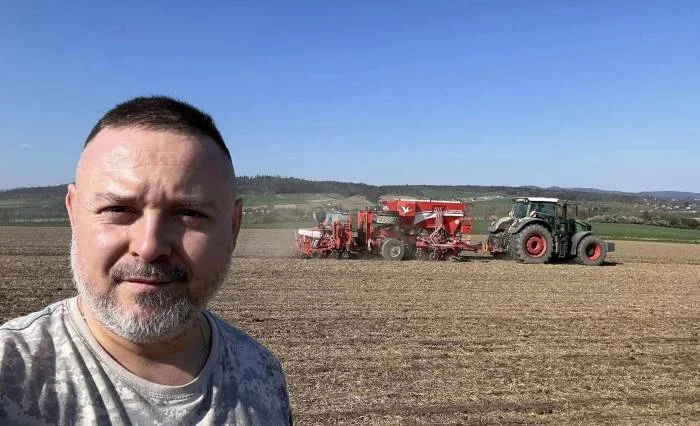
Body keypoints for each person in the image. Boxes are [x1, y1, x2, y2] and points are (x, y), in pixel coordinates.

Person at [0, 96, 293, 424]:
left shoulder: (261, 371)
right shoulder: (10, 374)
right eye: (119, 209)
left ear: (234, 227)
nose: (149, 246)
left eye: (188, 213)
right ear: (73, 214)